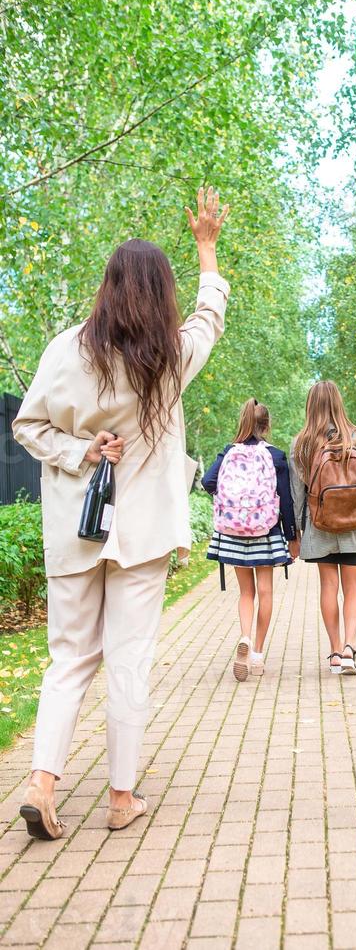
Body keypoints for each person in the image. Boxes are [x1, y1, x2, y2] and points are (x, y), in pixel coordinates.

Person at [12, 187, 230, 839]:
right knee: (129, 660)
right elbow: (211, 315)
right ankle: (119, 797)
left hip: (76, 531)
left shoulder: (64, 351)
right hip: (140, 536)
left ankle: (42, 782)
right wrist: (207, 248)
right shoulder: (167, 359)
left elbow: (27, 425)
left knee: (69, 659)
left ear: (106, 289)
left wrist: (82, 450)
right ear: (161, 296)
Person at [201, 398, 297, 681]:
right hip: (265, 531)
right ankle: (256, 652)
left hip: (232, 531)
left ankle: (244, 635)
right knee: (265, 591)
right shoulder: (276, 456)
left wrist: (230, 503)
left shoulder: (229, 451)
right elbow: (287, 501)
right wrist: (292, 536)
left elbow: (208, 482)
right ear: (267, 425)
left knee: (246, 593)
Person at [290, 380, 356, 676]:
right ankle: (351, 648)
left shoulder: (302, 442)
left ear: (311, 405)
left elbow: (297, 494)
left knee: (329, 587)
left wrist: (297, 534)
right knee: (353, 588)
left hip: (320, 523)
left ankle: (336, 652)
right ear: (338, 402)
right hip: (352, 523)